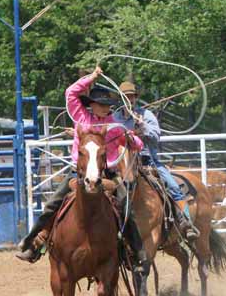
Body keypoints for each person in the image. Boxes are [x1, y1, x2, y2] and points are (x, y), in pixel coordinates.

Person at [16, 67, 149, 271]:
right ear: (92, 105)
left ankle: (136, 252)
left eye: (107, 105)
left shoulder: (114, 124)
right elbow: (70, 93)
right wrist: (92, 78)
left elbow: (138, 145)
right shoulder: (81, 117)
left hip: (107, 173)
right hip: (80, 171)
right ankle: (32, 242)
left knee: (125, 207)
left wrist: (131, 136)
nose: (105, 108)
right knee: (53, 204)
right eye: (101, 105)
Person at [113, 81, 198, 241]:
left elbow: (155, 137)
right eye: (126, 97)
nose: (129, 99)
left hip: (147, 161)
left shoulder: (146, 115)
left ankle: (185, 221)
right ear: (121, 99)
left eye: (132, 96)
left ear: (135, 98)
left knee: (173, 186)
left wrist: (142, 126)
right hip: (120, 163)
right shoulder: (115, 118)